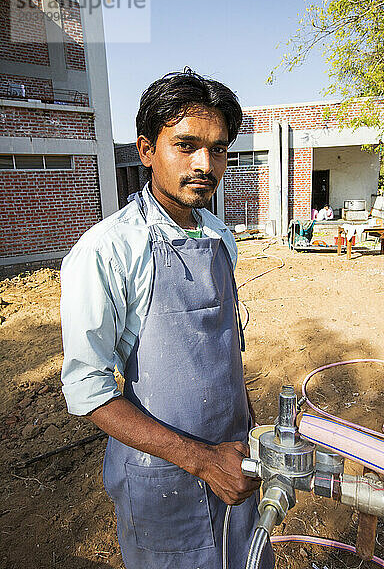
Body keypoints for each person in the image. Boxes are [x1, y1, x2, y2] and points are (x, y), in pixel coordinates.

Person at [60, 69, 274, 569]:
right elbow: (86, 390)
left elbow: (223, 349)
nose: (205, 164)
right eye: (186, 145)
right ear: (145, 149)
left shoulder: (221, 237)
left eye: (218, 149)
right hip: (162, 484)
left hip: (236, 466)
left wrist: (246, 423)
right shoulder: (107, 251)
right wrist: (202, 461)